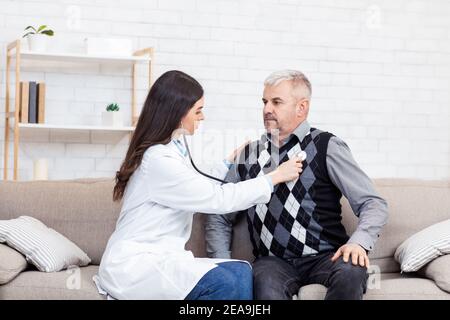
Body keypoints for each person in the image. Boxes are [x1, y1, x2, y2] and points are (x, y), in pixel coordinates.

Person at [93, 70, 303, 300]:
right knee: (224, 283)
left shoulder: (172, 150)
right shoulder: (158, 161)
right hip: (135, 266)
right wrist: (274, 177)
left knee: (242, 270)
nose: (202, 117)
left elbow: (193, 181)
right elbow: (217, 198)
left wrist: (228, 161)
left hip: (163, 258)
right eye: (198, 110)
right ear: (178, 114)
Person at [205, 69, 389, 300]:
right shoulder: (249, 154)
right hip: (272, 262)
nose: (266, 109)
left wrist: (359, 244)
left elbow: (373, 203)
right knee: (265, 286)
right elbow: (219, 213)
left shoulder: (326, 146)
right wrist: (224, 263)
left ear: (302, 108)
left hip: (326, 256)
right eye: (264, 102)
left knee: (352, 270)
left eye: (276, 102)